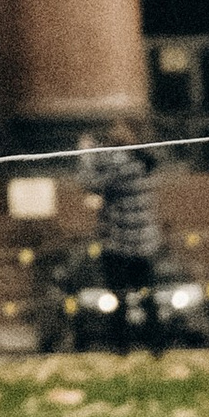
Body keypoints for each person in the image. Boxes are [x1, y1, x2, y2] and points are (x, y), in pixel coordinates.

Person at [84, 124, 161, 346]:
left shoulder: (122, 163)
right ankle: (155, 344)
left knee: (119, 297)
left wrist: (87, 153)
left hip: (119, 242)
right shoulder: (144, 161)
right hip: (145, 242)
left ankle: (122, 346)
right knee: (147, 295)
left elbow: (91, 183)